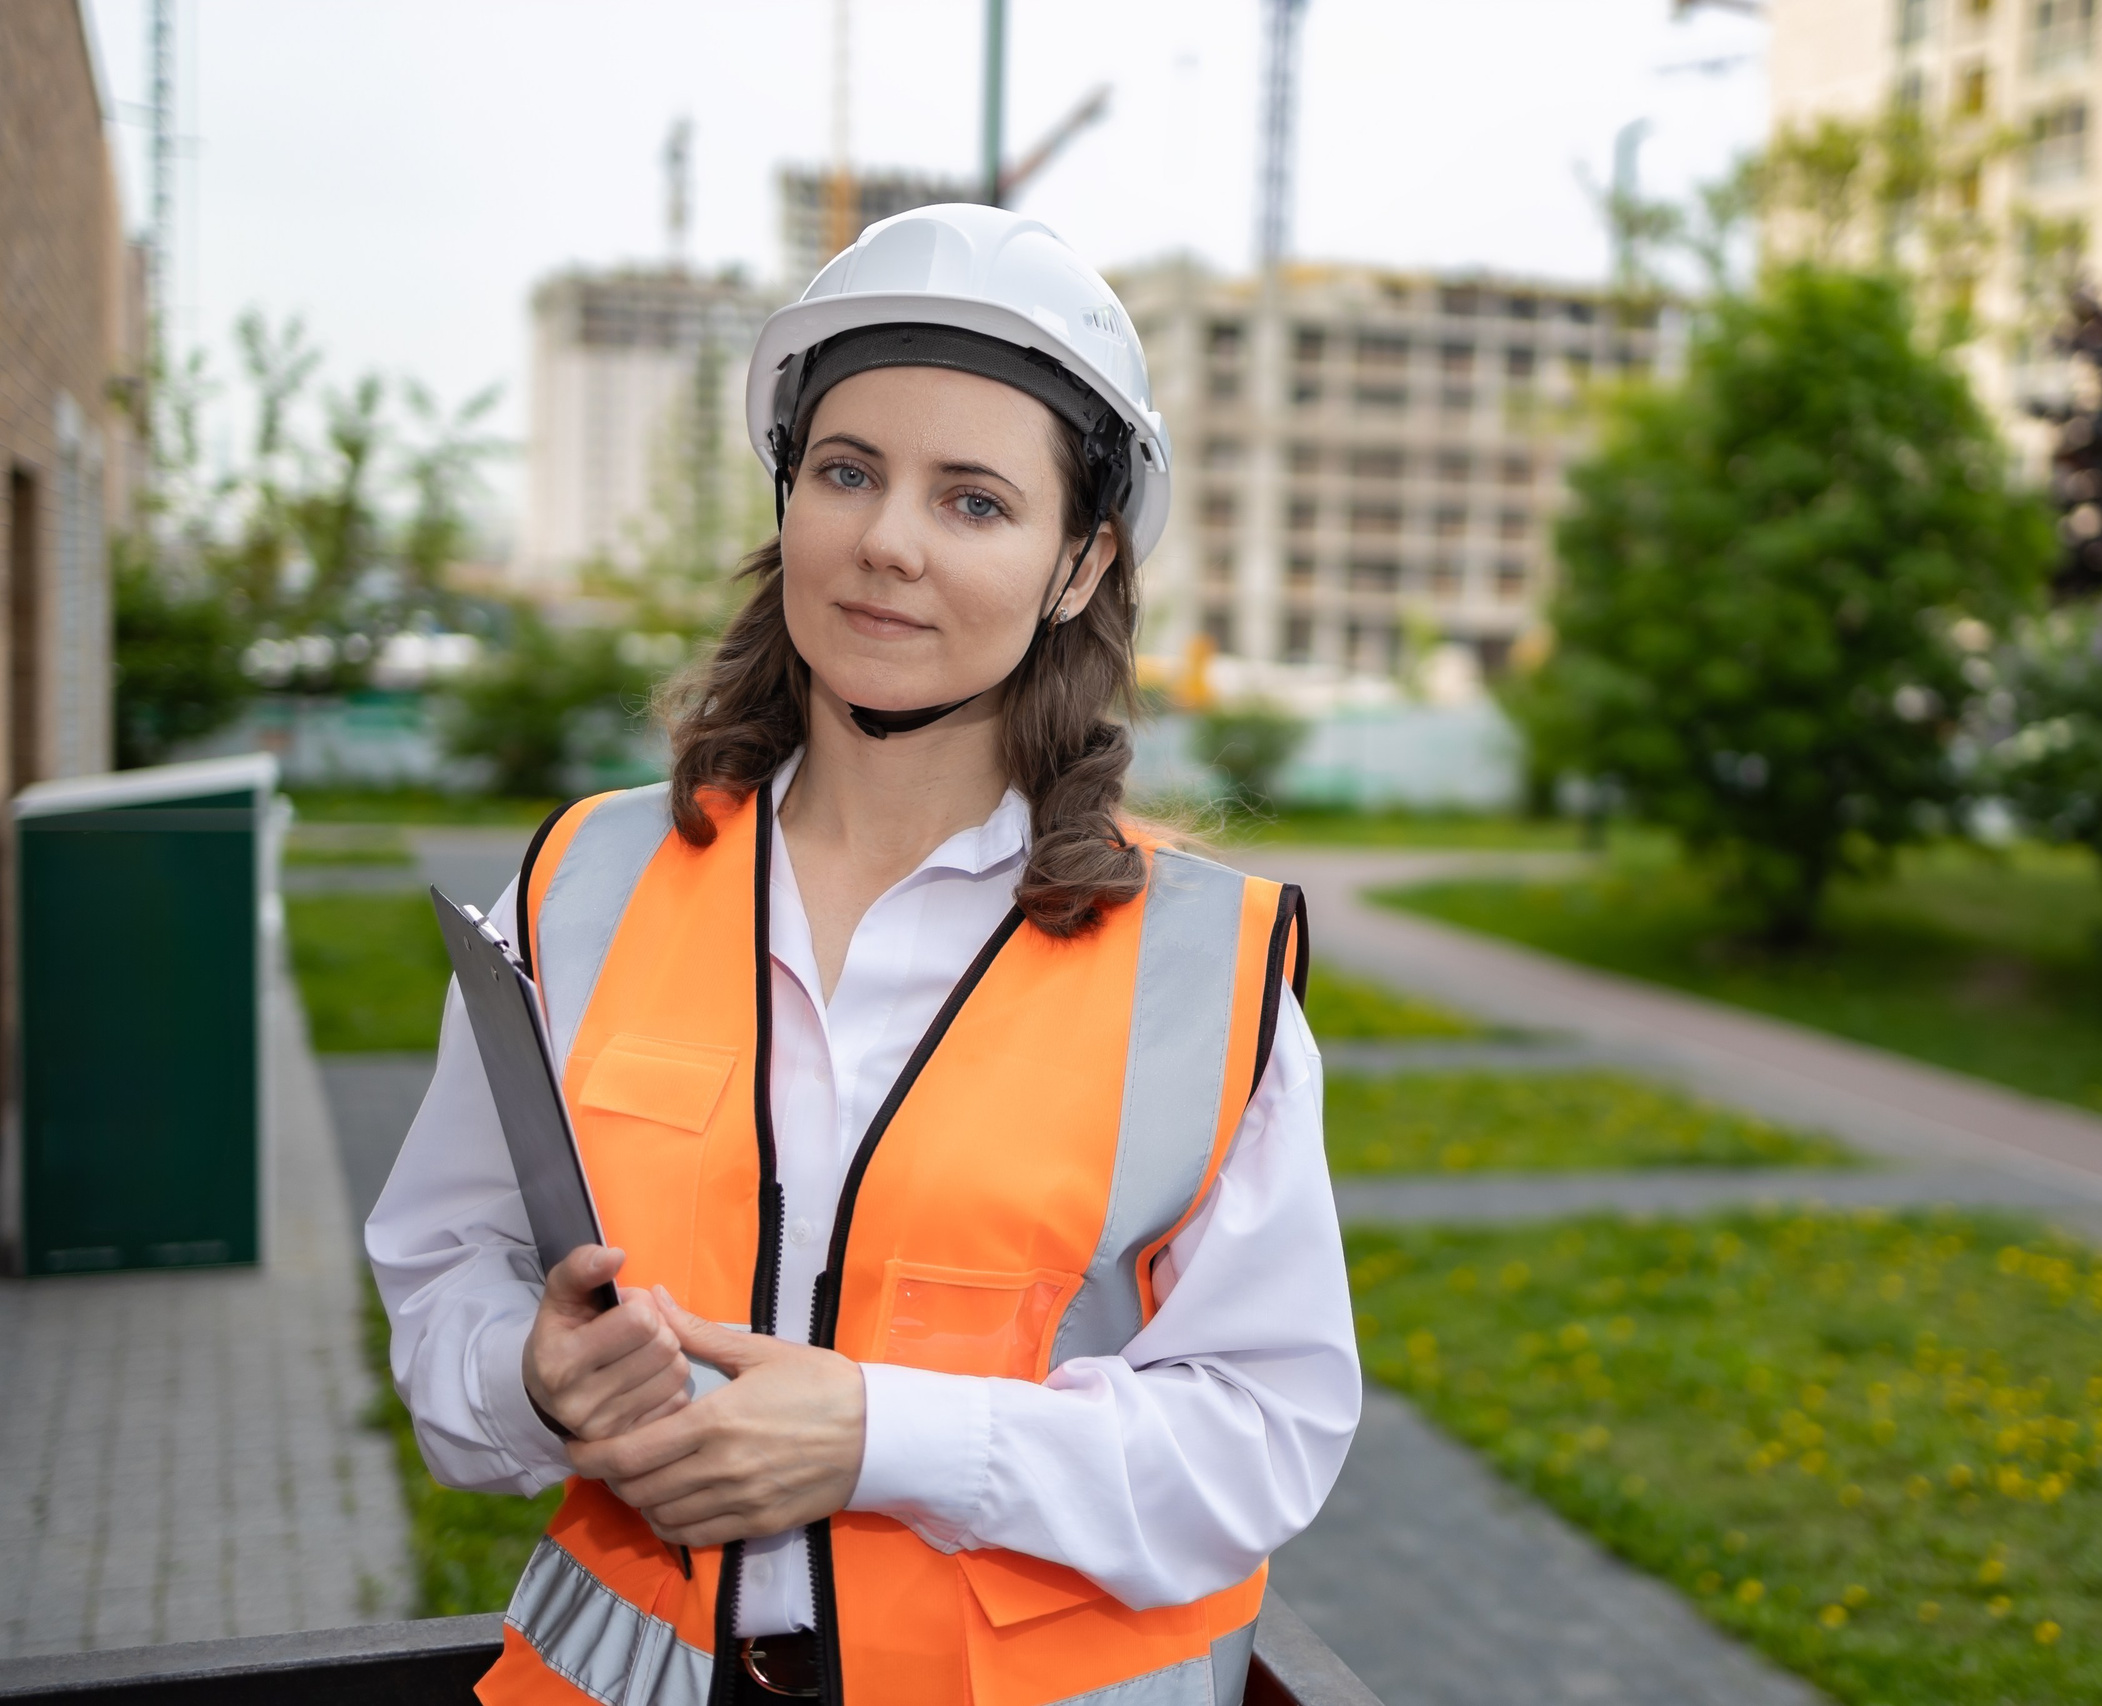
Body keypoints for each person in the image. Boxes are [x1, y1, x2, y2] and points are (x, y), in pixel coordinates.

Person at [367, 204, 1359, 1706]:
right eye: (848, 472)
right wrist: (528, 1376)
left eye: (973, 501)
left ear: (1079, 565)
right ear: (790, 501)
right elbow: (446, 1278)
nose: (888, 541)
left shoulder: (1201, 966)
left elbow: (1263, 1430)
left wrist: (881, 1437)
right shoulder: (581, 883)